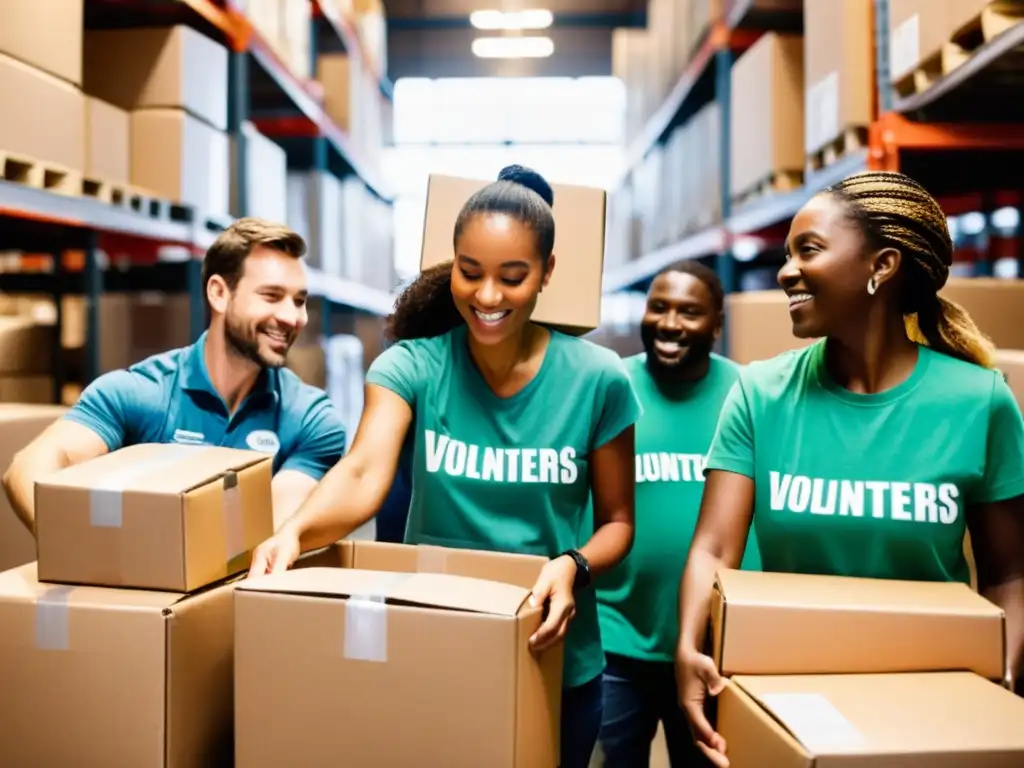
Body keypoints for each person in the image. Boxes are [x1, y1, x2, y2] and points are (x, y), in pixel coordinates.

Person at [248, 165, 642, 768]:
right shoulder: (413, 366)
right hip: (434, 641)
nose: (487, 297)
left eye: (513, 277)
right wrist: (294, 532)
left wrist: (573, 565)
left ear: (547, 273)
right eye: (470, 272)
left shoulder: (597, 380)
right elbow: (361, 474)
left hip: (553, 656)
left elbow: (618, 522)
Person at [675, 171, 1024, 767]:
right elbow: (713, 548)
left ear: (881, 266)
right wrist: (687, 645)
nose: (786, 271)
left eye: (807, 250)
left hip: (933, 706)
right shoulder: (760, 394)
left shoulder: (979, 402)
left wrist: (1001, 676)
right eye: (787, 254)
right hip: (790, 701)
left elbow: (1010, 574)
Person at [3, 218, 348, 532]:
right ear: (219, 293)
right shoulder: (140, 393)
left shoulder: (309, 419)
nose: (293, 317)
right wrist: (75, 549)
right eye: (272, 296)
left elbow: (268, 531)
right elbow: (27, 468)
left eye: (299, 300)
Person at [593, 264, 761, 768]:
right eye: (659, 307)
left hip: (717, 645)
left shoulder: (749, 394)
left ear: (716, 324)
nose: (670, 323)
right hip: (615, 639)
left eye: (689, 312)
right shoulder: (610, 387)